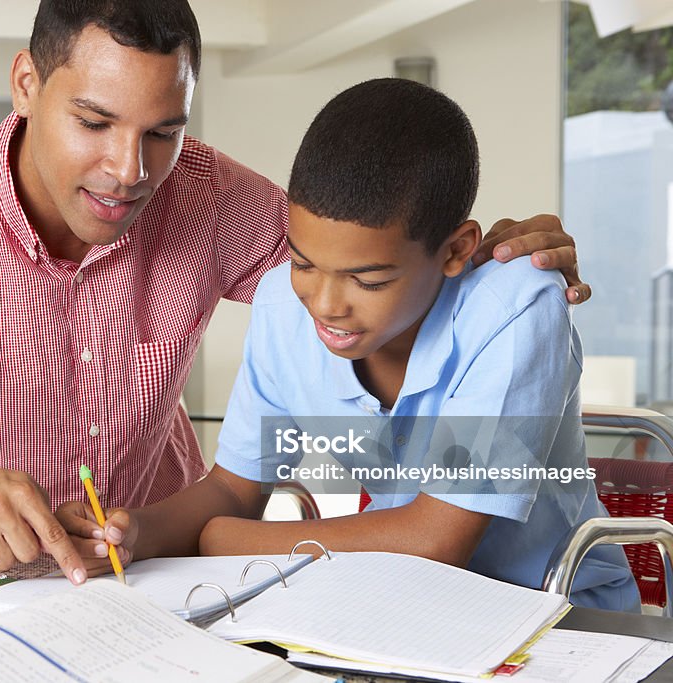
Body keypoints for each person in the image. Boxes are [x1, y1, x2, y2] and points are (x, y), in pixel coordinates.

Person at [0, 0, 590, 586]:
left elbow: (367, 240)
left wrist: (502, 265)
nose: (131, 170)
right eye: (94, 122)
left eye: (164, 131)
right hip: (0, 586)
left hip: (167, 577)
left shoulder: (218, 202)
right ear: (26, 83)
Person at [59, 78, 639, 611]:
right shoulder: (283, 308)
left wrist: (232, 540)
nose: (327, 303)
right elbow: (233, 489)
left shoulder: (514, 306)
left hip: (556, 615)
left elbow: (435, 541)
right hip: (393, 607)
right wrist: (136, 531)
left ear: (457, 251)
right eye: (303, 261)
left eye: (369, 280)